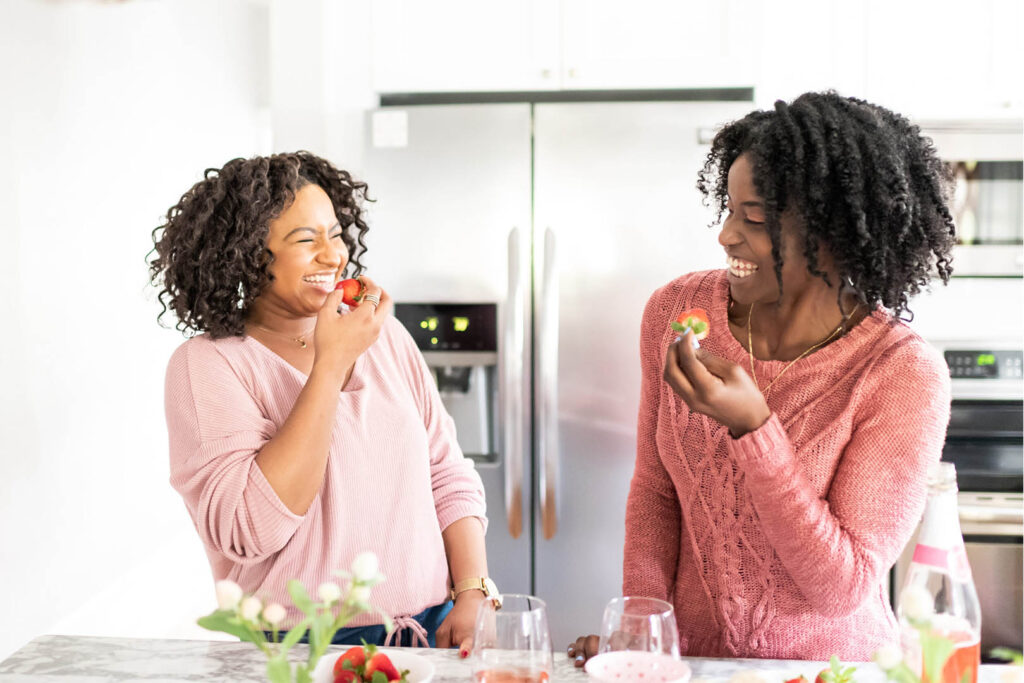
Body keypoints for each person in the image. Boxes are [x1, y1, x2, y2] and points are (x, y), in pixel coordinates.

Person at [569, 91, 956, 663]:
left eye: (753, 218)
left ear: (834, 235)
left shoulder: (900, 374)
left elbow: (842, 589)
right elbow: (656, 492)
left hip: (829, 672)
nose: (726, 234)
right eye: (728, 208)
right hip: (691, 667)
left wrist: (756, 429)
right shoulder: (676, 313)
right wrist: (642, 634)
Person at [150, 151, 491, 652]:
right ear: (247, 254)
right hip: (296, 651)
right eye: (306, 240)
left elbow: (446, 473)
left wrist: (473, 593)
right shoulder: (210, 365)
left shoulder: (387, 337)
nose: (333, 256)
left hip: (430, 632)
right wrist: (330, 364)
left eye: (334, 235)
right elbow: (250, 527)